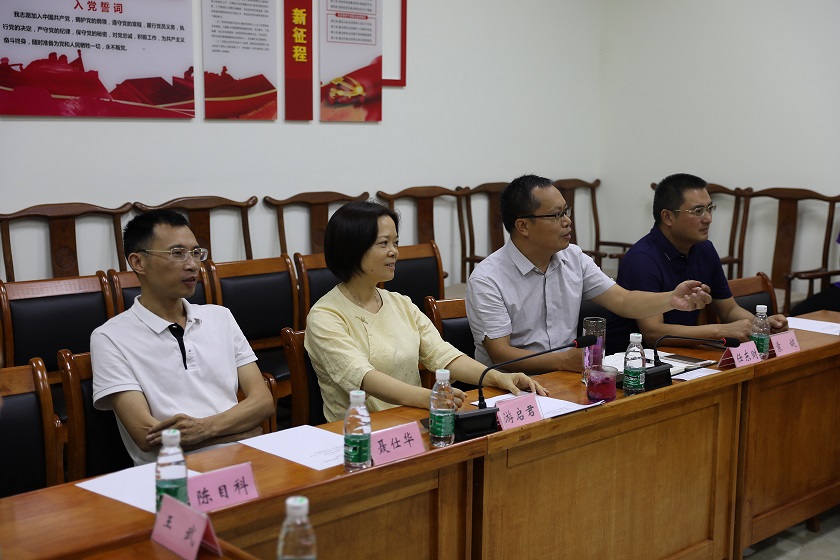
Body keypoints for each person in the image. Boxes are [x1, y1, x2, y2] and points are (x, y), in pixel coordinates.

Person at [304, 200, 548, 423]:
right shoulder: (325, 316)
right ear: (352, 248)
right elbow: (364, 377)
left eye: (396, 242)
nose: (394, 251)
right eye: (383, 243)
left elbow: (443, 354)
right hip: (358, 435)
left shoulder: (400, 303)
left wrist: (497, 377)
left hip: (412, 421)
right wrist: (429, 397)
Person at [466, 174, 713, 373]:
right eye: (556, 215)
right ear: (523, 226)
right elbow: (500, 354)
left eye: (566, 211)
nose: (567, 221)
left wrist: (671, 299)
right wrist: (563, 361)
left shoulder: (573, 258)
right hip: (509, 388)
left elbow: (623, 300)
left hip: (565, 377)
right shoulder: (488, 279)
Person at [91, 210, 274, 465]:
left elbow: (263, 402)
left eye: (196, 253)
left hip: (241, 462)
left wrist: (206, 429)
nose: (193, 265)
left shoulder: (220, 317)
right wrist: (241, 431)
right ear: (138, 262)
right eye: (177, 253)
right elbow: (147, 436)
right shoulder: (109, 337)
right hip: (170, 472)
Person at [608, 173, 787, 349]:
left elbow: (729, 310)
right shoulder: (642, 259)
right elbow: (653, 334)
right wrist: (720, 331)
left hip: (684, 354)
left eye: (710, 209)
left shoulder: (704, 249)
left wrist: (761, 325)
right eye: (698, 211)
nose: (708, 219)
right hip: (634, 359)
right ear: (668, 217)